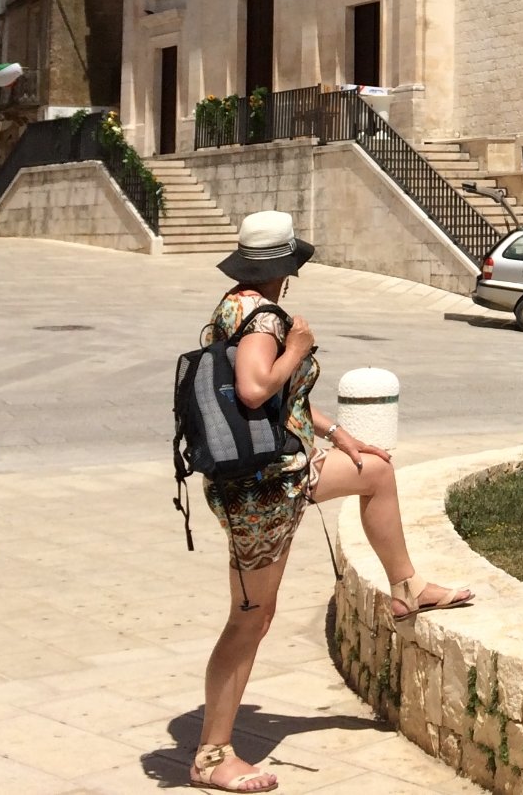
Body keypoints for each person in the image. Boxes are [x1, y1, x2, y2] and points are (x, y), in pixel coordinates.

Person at [190, 210, 473, 793]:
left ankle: (406, 588)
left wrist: (339, 435)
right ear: (284, 267)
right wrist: (298, 346)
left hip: (284, 471)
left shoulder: (232, 306)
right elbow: (253, 388)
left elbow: (278, 402)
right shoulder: (265, 319)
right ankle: (212, 755)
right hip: (263, 489)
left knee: (374, 472)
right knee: (251, 619)